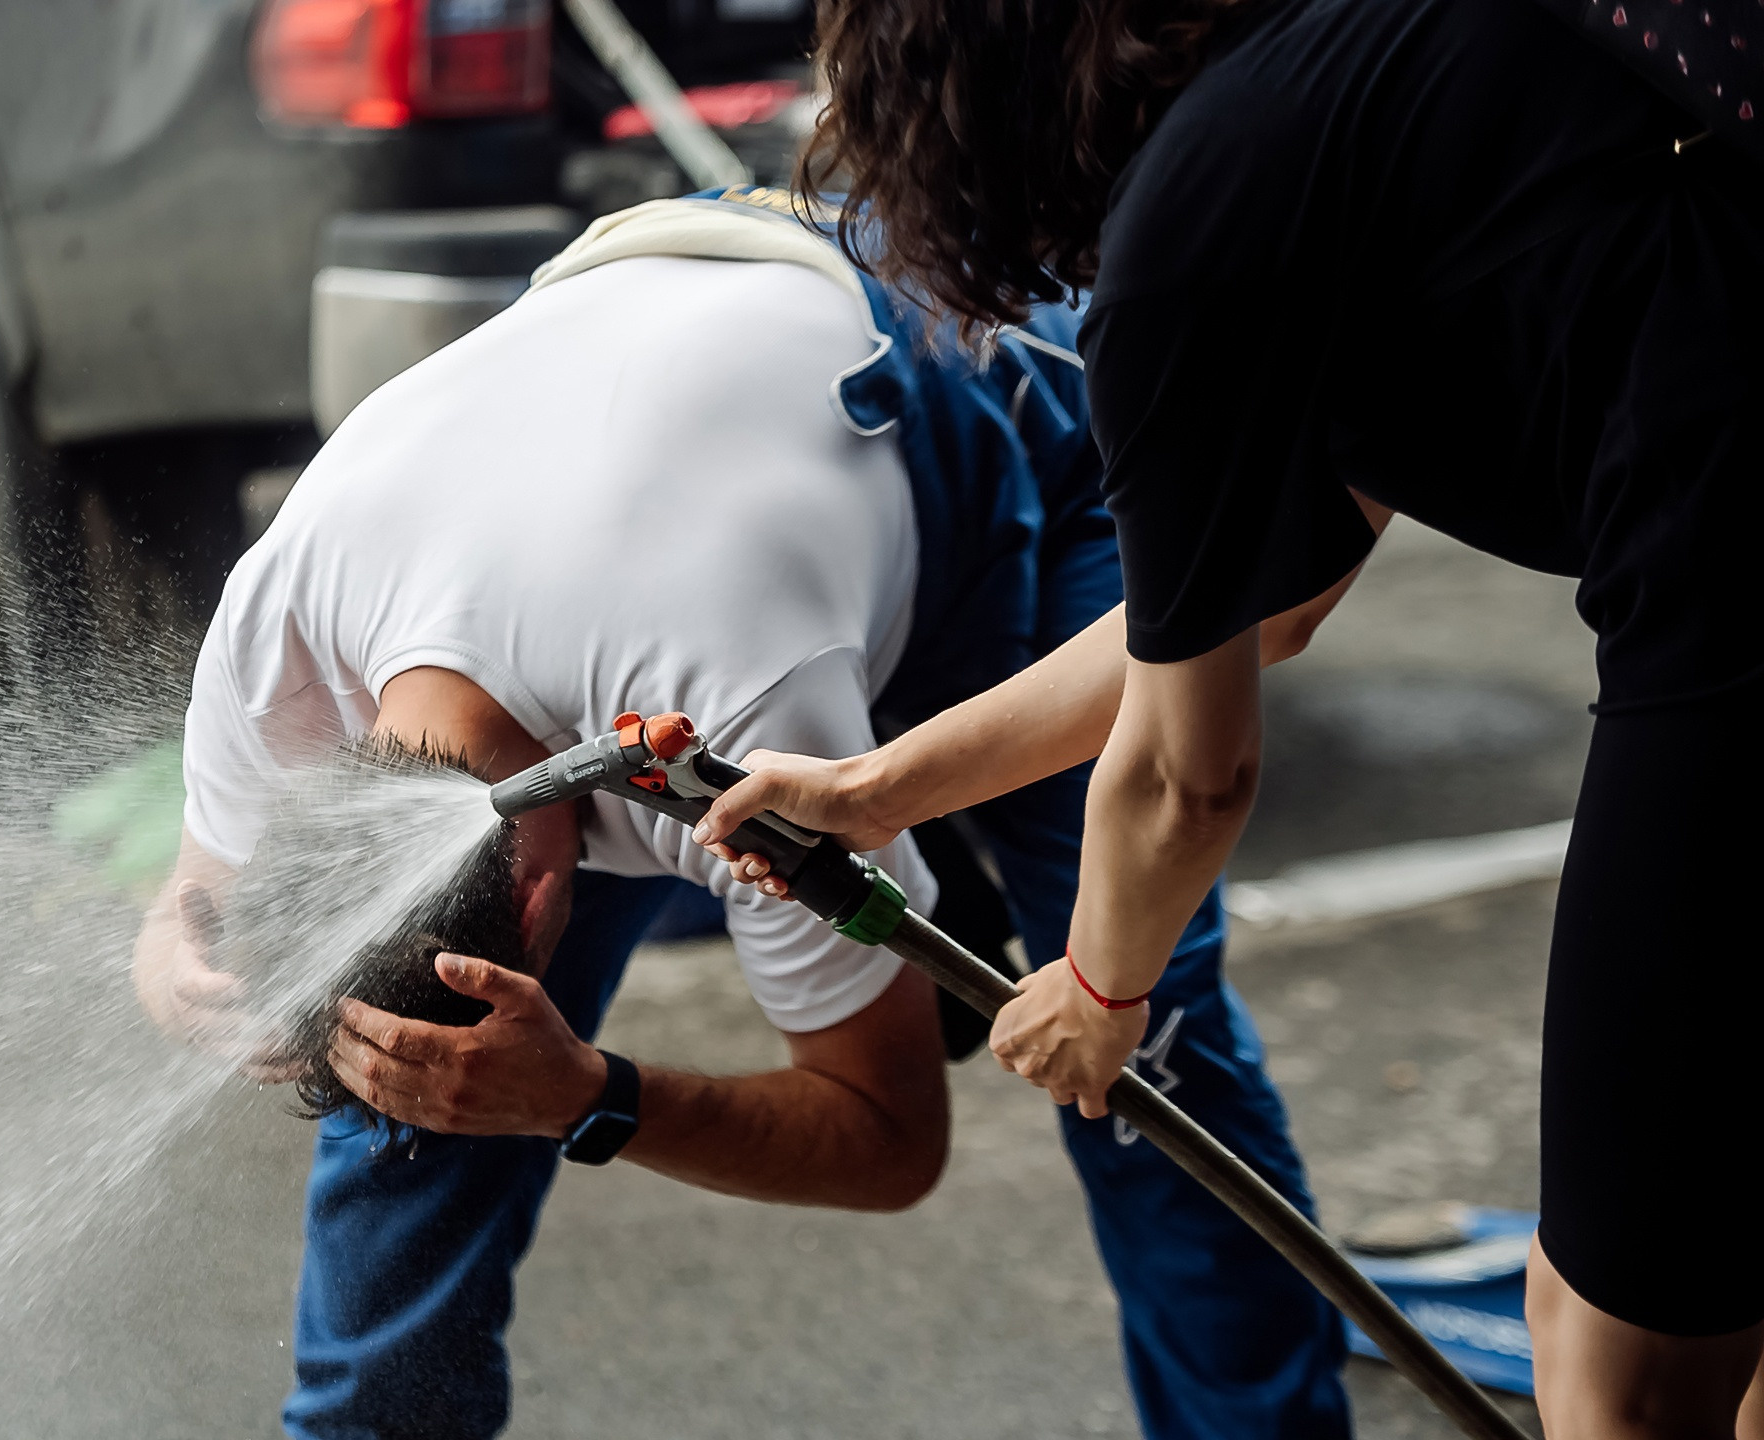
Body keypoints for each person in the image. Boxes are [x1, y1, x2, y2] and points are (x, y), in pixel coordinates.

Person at [690, 0, 1764, 1433]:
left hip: (1740, 615)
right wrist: (885, 787)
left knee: (1616, 1348)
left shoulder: (1190, 236)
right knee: (1725, 1271)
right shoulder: (1323, 105)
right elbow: (1252, 612)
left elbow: (1191, 774)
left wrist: (1103, 988)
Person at [135, 187, 1351, 1439]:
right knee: (426, 1087)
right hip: (698, 397)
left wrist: (585, 1094)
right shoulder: (275, 630)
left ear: (555, 895)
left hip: (972, 370)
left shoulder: (739, 724)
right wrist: (210, 988)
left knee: (1138, 1047)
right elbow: (180, 921)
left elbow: (890, 1140)